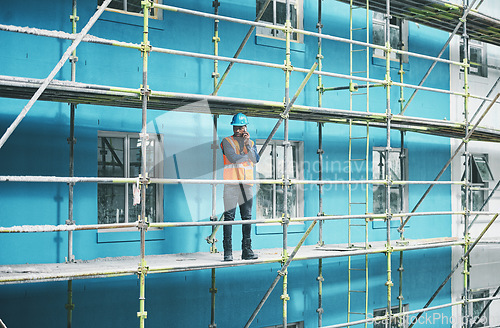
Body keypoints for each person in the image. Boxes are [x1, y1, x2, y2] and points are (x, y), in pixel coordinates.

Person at [220, 113, 260, 261]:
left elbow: (255, 159)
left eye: (240, 128)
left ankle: (246, 251)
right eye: (235, 127)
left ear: (245, 128)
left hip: (247, 185)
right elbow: (233, 158)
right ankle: (228, 252)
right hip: (231, 184)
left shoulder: (251, 143)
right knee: (229, 218)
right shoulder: (226, 141)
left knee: (247, 218)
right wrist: (248, 155)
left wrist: (248, 144)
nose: (237, 130)